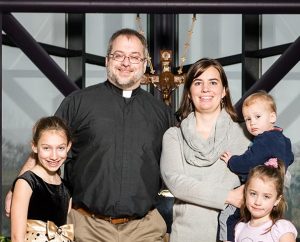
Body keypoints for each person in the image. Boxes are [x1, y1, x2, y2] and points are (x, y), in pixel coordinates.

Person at [6, 28, 173, 242]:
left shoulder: (162, 114)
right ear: (107, 60)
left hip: (145, 229)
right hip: (87, 228)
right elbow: (45, 147)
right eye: (118, 55)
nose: (126, 63)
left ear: (143, 63)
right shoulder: (78, 103)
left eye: (134, 57)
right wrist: (16, 189)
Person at [160, 58, 250, 242]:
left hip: (235, 234)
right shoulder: (173, 136)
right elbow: (177, 184)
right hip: (186, 235)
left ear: (224, 91)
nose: (205, 89)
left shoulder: (244, 134)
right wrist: (228, 196)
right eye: (198, 83)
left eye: (213, 82)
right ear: (189, 93)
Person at [219, 90, 294, 242]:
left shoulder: (265, 139)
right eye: (247, 119)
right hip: (276, 186)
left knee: (227, 217)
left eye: (257, 117)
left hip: (261, 184)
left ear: (272, 116)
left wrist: (231, 161)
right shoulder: (282, 138)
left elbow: (248, 161)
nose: (252, 122)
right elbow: (290, 158)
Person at [10, 116, 74, 242]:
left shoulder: (67, 188)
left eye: (60, 148)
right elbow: (17, 237)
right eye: (46, 148)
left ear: (68, 147)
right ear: (34, 146)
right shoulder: (26, 182)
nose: (54, 156)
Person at [235, 158, 298, 242]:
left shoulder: (281, 228)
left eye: (266, 196)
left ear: (277, 200)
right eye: (253, 194)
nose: (257, 202)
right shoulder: (240, 228)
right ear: (245, 193)